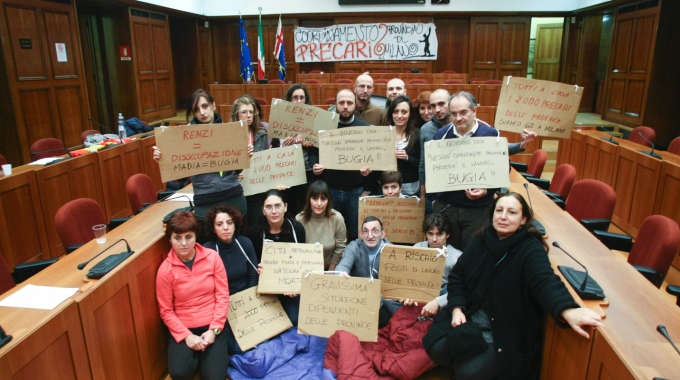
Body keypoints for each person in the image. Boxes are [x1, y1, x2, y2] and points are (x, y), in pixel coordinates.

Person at [423, 193, 603, 379]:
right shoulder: (482, 238)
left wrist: (567, 310)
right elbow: (458, 276)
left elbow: (545, 281)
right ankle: (467, 358)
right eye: (499, 210)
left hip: (503, 329)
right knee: (435, 347)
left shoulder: (530, 249)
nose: (503, 216)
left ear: (524, 219)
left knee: (467, 373)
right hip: (471, 314)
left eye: (512, 212)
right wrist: (457, 309)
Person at [431, 91, 535, 250]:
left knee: (474, 251)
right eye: (454, 114)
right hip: (447, 207)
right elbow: (434, 171)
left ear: (475, 111)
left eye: (463, 112)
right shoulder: (440, 135)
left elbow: (502, 169)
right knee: (446, 252)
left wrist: (487, 190)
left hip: (478, 210)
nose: (458, 118)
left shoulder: (491, 134)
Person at [156, 211, 230, 380]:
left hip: (213, 324)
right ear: (170, 239)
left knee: (215, 377)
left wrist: (214, 329)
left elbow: (223, 296)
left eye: (188, 237)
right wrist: (187, 336)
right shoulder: (165, 270)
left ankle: (208, 355)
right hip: (184, 327)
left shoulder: (212, 257)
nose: (183, 243)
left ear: (196, 236)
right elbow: (166, 311)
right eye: (177, 238)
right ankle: (199, 355)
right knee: (179, 373)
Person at [153, 89, 246, 222]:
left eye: (205, 106)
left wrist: (245, 155)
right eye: (196, 109)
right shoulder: (183, 139)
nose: (202, 112)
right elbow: (180, 179)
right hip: (205, 201)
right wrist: (165, 161)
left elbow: (237, 170)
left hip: (232, 195)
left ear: (213, 106)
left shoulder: (230, 132)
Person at [313, 89, 378, 240]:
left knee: (356, 232)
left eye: (349, 102)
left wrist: (367, 188)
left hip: (356, 191)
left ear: (355, 104)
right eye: (341, 102)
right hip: (331, 190)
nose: (345, 106)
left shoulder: (365, 128)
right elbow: (316, 155)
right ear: (335, 104)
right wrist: (317, 168)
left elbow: (373, 162)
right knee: (330, 233)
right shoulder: (324, 128)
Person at [203, 205, 259, 355]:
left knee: (261, 339)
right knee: (235, 347)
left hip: (246, 301)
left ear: (235, 224)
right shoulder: (208, 250)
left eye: (229, 223)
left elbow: (253, 275)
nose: (225, 228)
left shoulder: (245, 243)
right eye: (219, 224)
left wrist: (247, 301)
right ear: (213, 228)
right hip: (221, 306)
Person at [248, 189, 306, 325]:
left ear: (285, 207)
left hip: (291, 287)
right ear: (262, 210)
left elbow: (303, 261)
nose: (273, 211)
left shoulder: (297, 229)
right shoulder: (254, 233)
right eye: (268, 207)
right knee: (267, 323)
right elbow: (253, 267)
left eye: (278, 206)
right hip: (266, 286)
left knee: (294, 319)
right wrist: (259, 269)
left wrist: (295, 287)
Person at [336, 216, 396, 326]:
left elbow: (395, 285)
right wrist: (341, 273)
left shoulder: (392, 251)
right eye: (366, 231)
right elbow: (343, 265)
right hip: (358, 299)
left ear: (383, 234)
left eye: (375, 231)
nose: (370, 236)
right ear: (361, 234)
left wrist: (379, 298)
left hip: (381, 300)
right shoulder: (354, 246)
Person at [402, 213, 462, 317]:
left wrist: (439, 302)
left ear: (447, 235)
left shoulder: (456, 257)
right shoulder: (418, 248)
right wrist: (408, 293)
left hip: (442, 295)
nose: (434, 239)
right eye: (430, 234)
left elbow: (461, 289)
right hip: (418, 291)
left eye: (439, 234)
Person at [231, 95, 271, 228]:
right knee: (238, 227)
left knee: (256, 226)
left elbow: (266, 163)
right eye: (244, 112)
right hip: (236, 189)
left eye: (251, 112)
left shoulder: (262, 134)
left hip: (256, 189)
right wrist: (232, 174)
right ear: (236, 115)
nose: (248, 115)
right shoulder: (227, 136)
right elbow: (221, 167)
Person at [295, 180, 347, 270]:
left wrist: (330, 271)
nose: (319, 204)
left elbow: (340, 248)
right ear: (309, 200)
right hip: (304, 269)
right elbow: (296, 250)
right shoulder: (299, 219)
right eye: (314, 198)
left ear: (328, 200)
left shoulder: (337, 218)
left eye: (323, 199)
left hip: (329, 268)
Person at [283, 84, 317, 214]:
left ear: (306, 100)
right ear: (289, 100)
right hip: (289, 172)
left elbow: (323, 145)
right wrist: (284, 145)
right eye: (295, 97)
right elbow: (274, 148)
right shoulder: (281, 119)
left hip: (309, 172)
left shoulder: (315, 119)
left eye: (301, 97)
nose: (298, 101)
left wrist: (312, 143)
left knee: (308, 209)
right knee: (290, 208)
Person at [387, 95, 420, 196]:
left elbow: (422, 165)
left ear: (410, 114)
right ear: (391, 114)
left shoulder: (418, 134)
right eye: (396, 112)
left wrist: (407, 158)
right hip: (388, 188)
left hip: (410, 188)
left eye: (404, 112)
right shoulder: (383, 134)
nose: (399, 116)